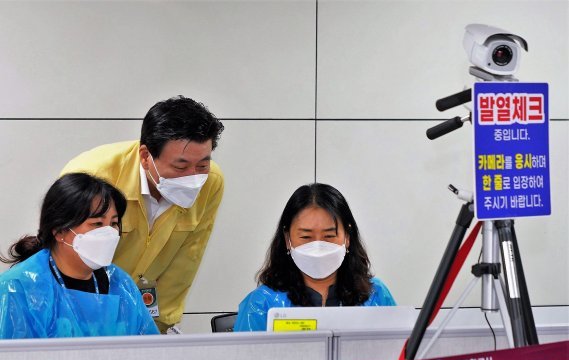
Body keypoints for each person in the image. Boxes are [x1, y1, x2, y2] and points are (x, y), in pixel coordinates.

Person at [60, 96, 224, 333]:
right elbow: (66, 259)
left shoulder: (211, 182)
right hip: (80, 314)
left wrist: (154, 329)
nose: (193, 177)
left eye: (202, 165)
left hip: (144, 316)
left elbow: (186, 261)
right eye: (180, 166)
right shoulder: (92, 177)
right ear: (146, 156)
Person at [0, 173, 159, 338]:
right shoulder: (18, 289)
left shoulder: (121, 284)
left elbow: (148, 353)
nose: (109, 233)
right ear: (60, 230)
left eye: (113, 223)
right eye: (97, 223)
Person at [234, 183, 395, 332]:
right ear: (287, 239)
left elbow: (400, 355)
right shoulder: (262, 304)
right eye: (306, 237)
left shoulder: (376, 295)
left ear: (347, 237)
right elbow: (243, 359)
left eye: (329, 236)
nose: (318, 247)